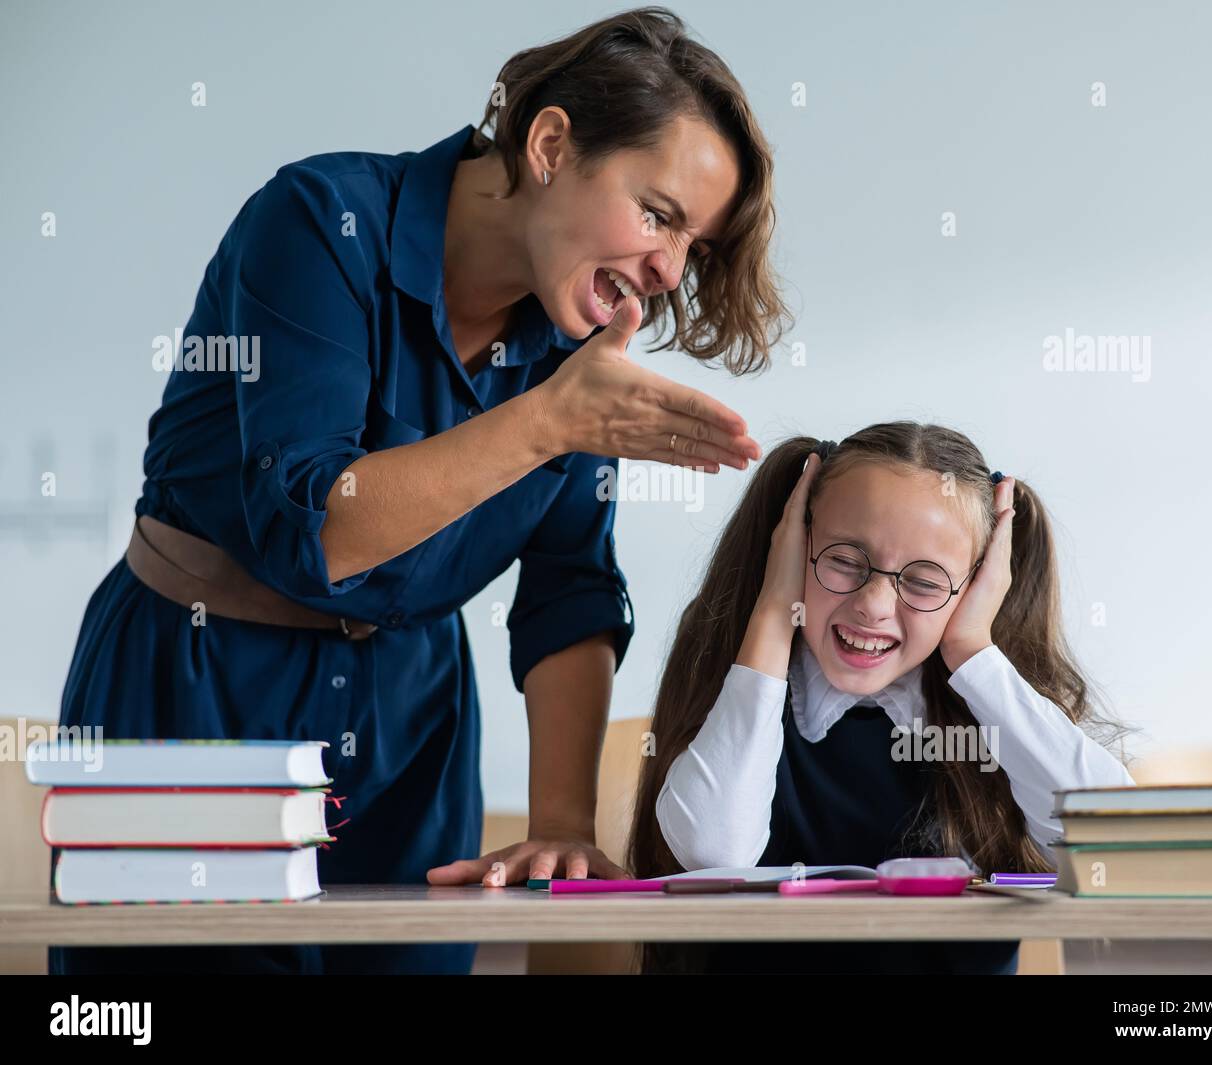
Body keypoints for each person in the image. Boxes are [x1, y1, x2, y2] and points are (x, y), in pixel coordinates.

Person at [51, 8, 789, 975]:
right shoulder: (318, 222)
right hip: (195, 688)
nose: (667, 268)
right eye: (658, 213)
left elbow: (569, 587)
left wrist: (560, 823)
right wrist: (551, 422)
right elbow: (314, 525)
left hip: (412, 725)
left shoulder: (575, 344)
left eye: (691, 242)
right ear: (552, 144)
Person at [629, 422, 1136, 973]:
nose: (873, 604)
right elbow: (712, 852)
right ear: (795, 550)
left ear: (976, 587)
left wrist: (973, 650)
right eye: (845, 560)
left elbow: (1111, 837)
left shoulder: (993, 711)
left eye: (924, 581)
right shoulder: (744, 674)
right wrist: (775, 612)